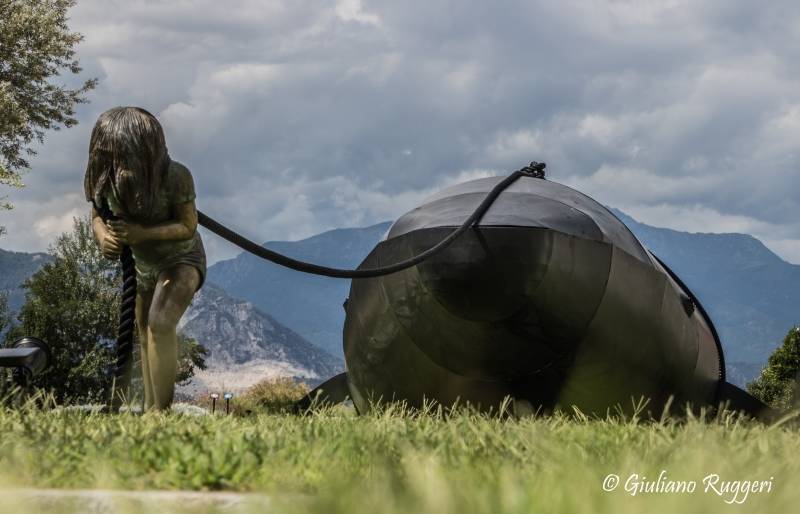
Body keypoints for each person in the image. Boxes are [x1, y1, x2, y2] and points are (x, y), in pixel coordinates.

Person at [84, 106, 206, 411]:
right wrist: (103, 237)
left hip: (181, 260)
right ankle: (151, 407)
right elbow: (97, 215)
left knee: (160, 323)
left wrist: (142, 234)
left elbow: (187, 226)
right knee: (142, 328)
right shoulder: (105, 178)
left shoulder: (175, 176)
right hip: (143, 267)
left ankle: (160, 413)